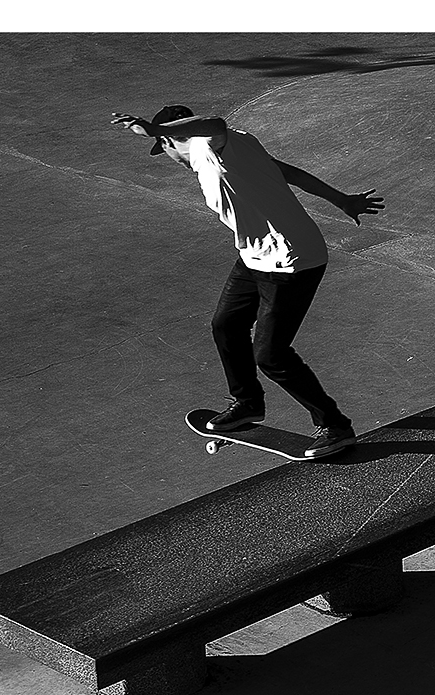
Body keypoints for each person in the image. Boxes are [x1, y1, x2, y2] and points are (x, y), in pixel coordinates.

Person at [110, 105, 384, 458]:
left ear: (168, 140)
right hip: (256, 255)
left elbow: (215, 123)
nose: (167, 156)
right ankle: (247, 403)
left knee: (271, 355)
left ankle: (334, 425)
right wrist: (341, 200)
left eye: (162, 147)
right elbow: (288, 173)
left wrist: (151, 127)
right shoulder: (228, 153)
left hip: (291, 260)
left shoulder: (212, 145)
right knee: (226, 324)